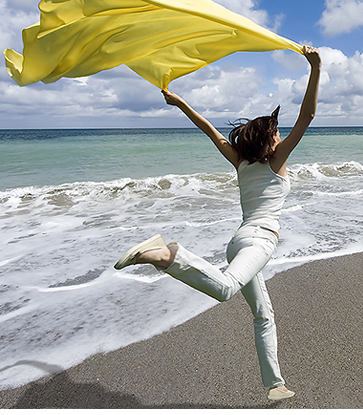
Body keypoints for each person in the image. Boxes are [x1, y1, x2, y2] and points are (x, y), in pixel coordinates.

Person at [114, 45, 321, 400]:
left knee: (263, 313)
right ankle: (167, 255)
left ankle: (275, 385)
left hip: (239, 241)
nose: (280, 135)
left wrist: (180, 104)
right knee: (225, 289)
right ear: (270, 139)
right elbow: (309, 115)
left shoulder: (241, 162)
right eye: (276, 132)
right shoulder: (277, 160)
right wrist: (315, 67)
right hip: (260, 242)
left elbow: (212, 132)